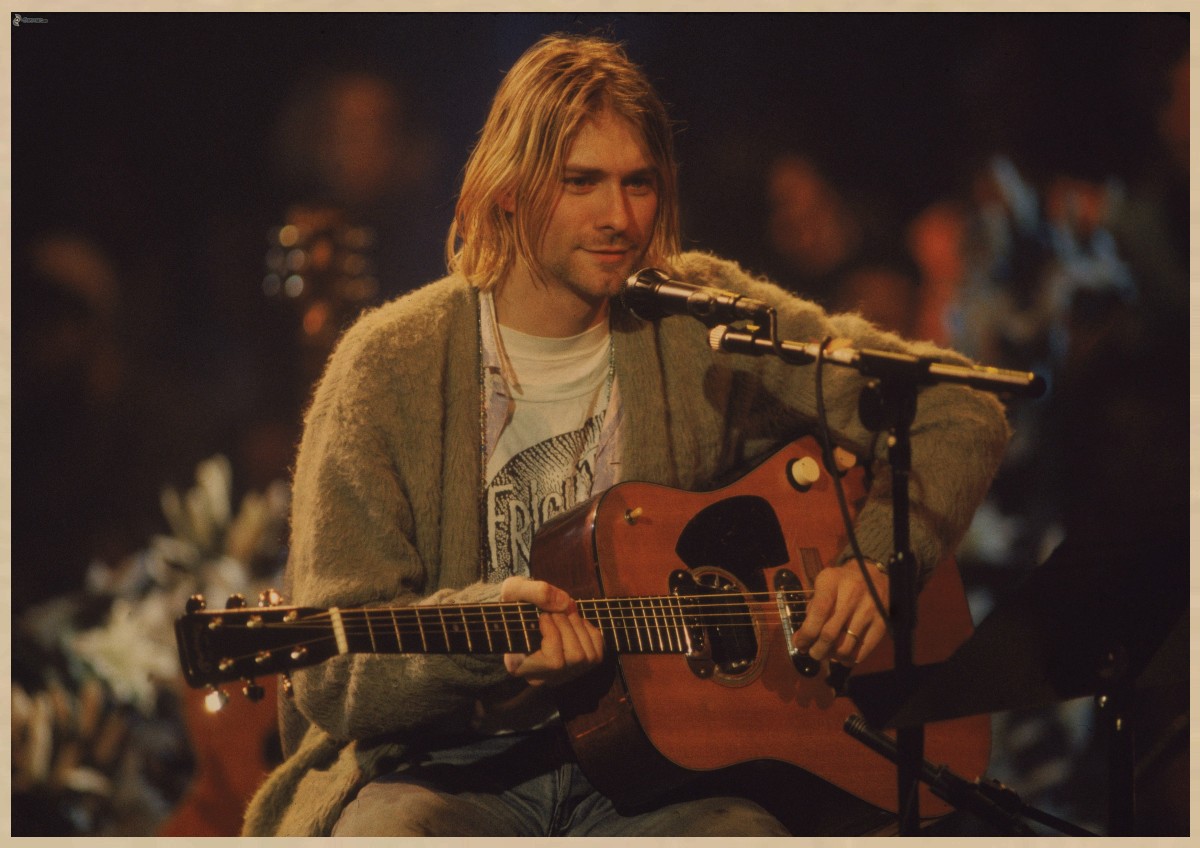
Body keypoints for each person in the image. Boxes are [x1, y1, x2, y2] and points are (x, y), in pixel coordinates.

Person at [241, 34, 1009, 837]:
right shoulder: (385, 365)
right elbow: (329, 670)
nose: (619, 218)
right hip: (445, 771)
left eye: (639, 183)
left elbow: (958, 409)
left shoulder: (696, 319)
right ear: (510, 188)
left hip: (665, 779)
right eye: (582, 183)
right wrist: (486, 644)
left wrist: (878, 564)